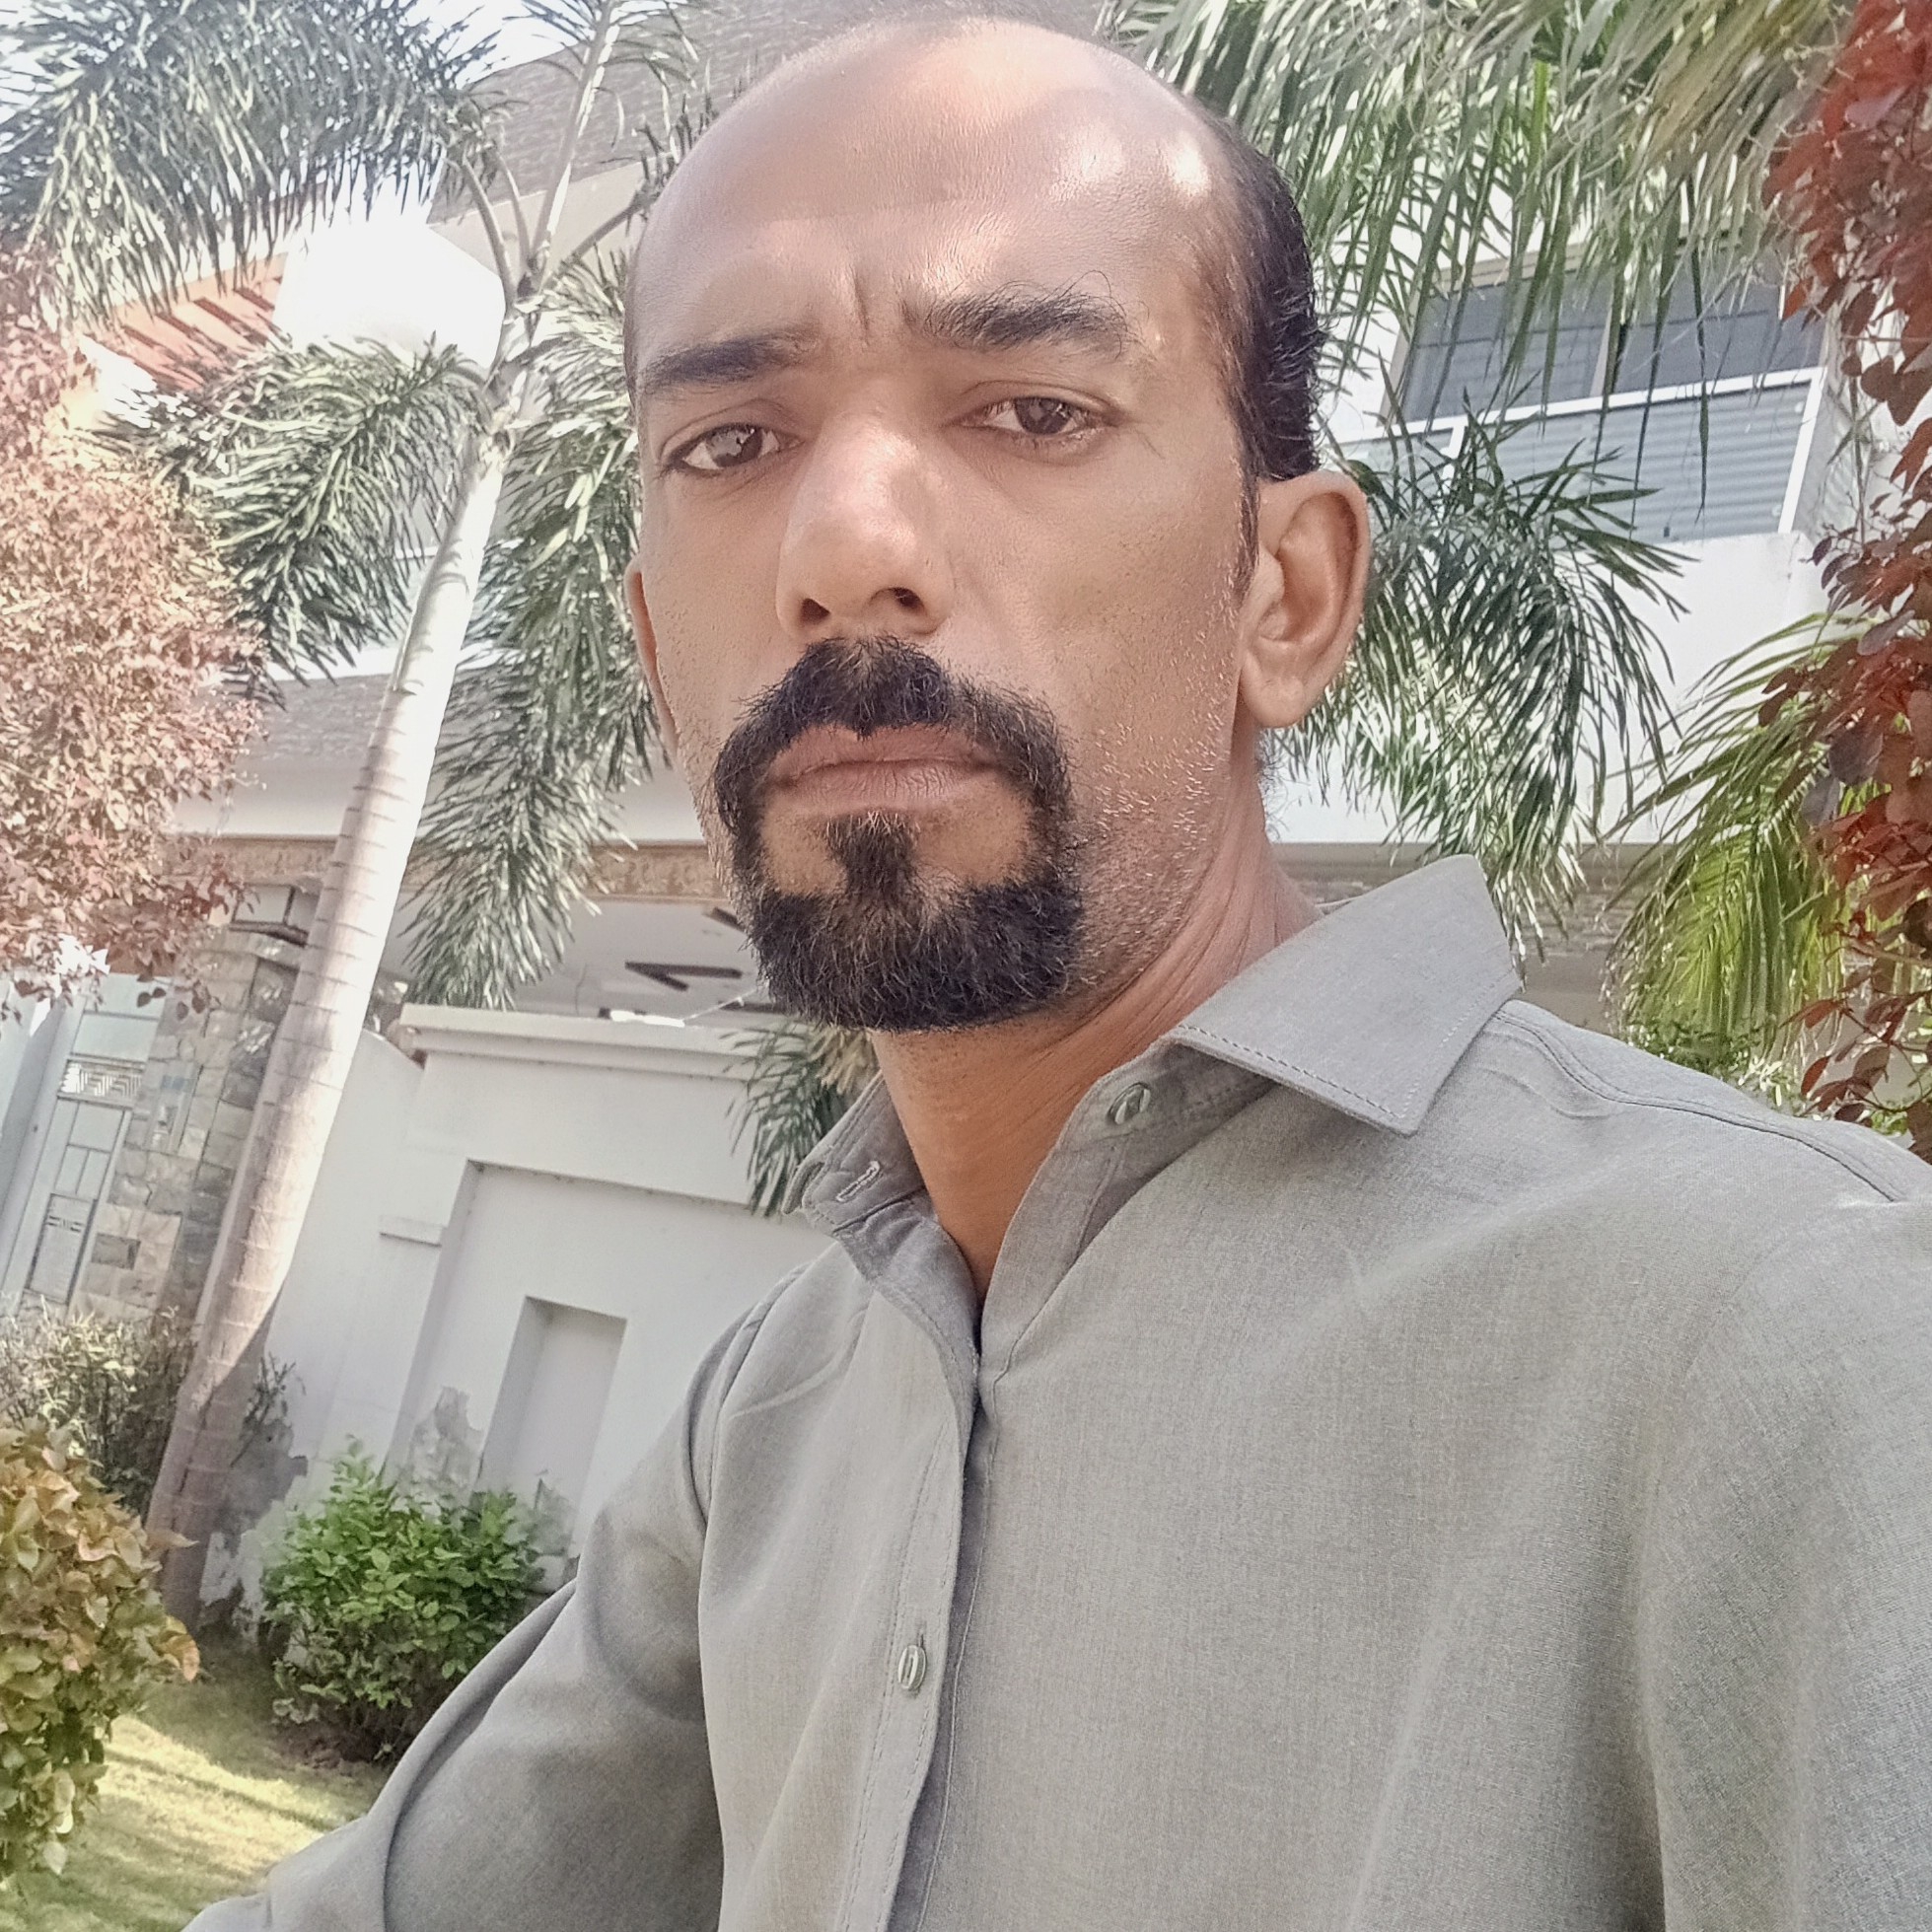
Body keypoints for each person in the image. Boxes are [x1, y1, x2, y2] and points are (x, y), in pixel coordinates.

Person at [192, 17, 1932, 1931]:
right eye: (730, 442)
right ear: (659, 653)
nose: (845, 546)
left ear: (1286, 594)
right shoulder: (788, 1408)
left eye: (1031, 410)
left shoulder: (1802, 1339)